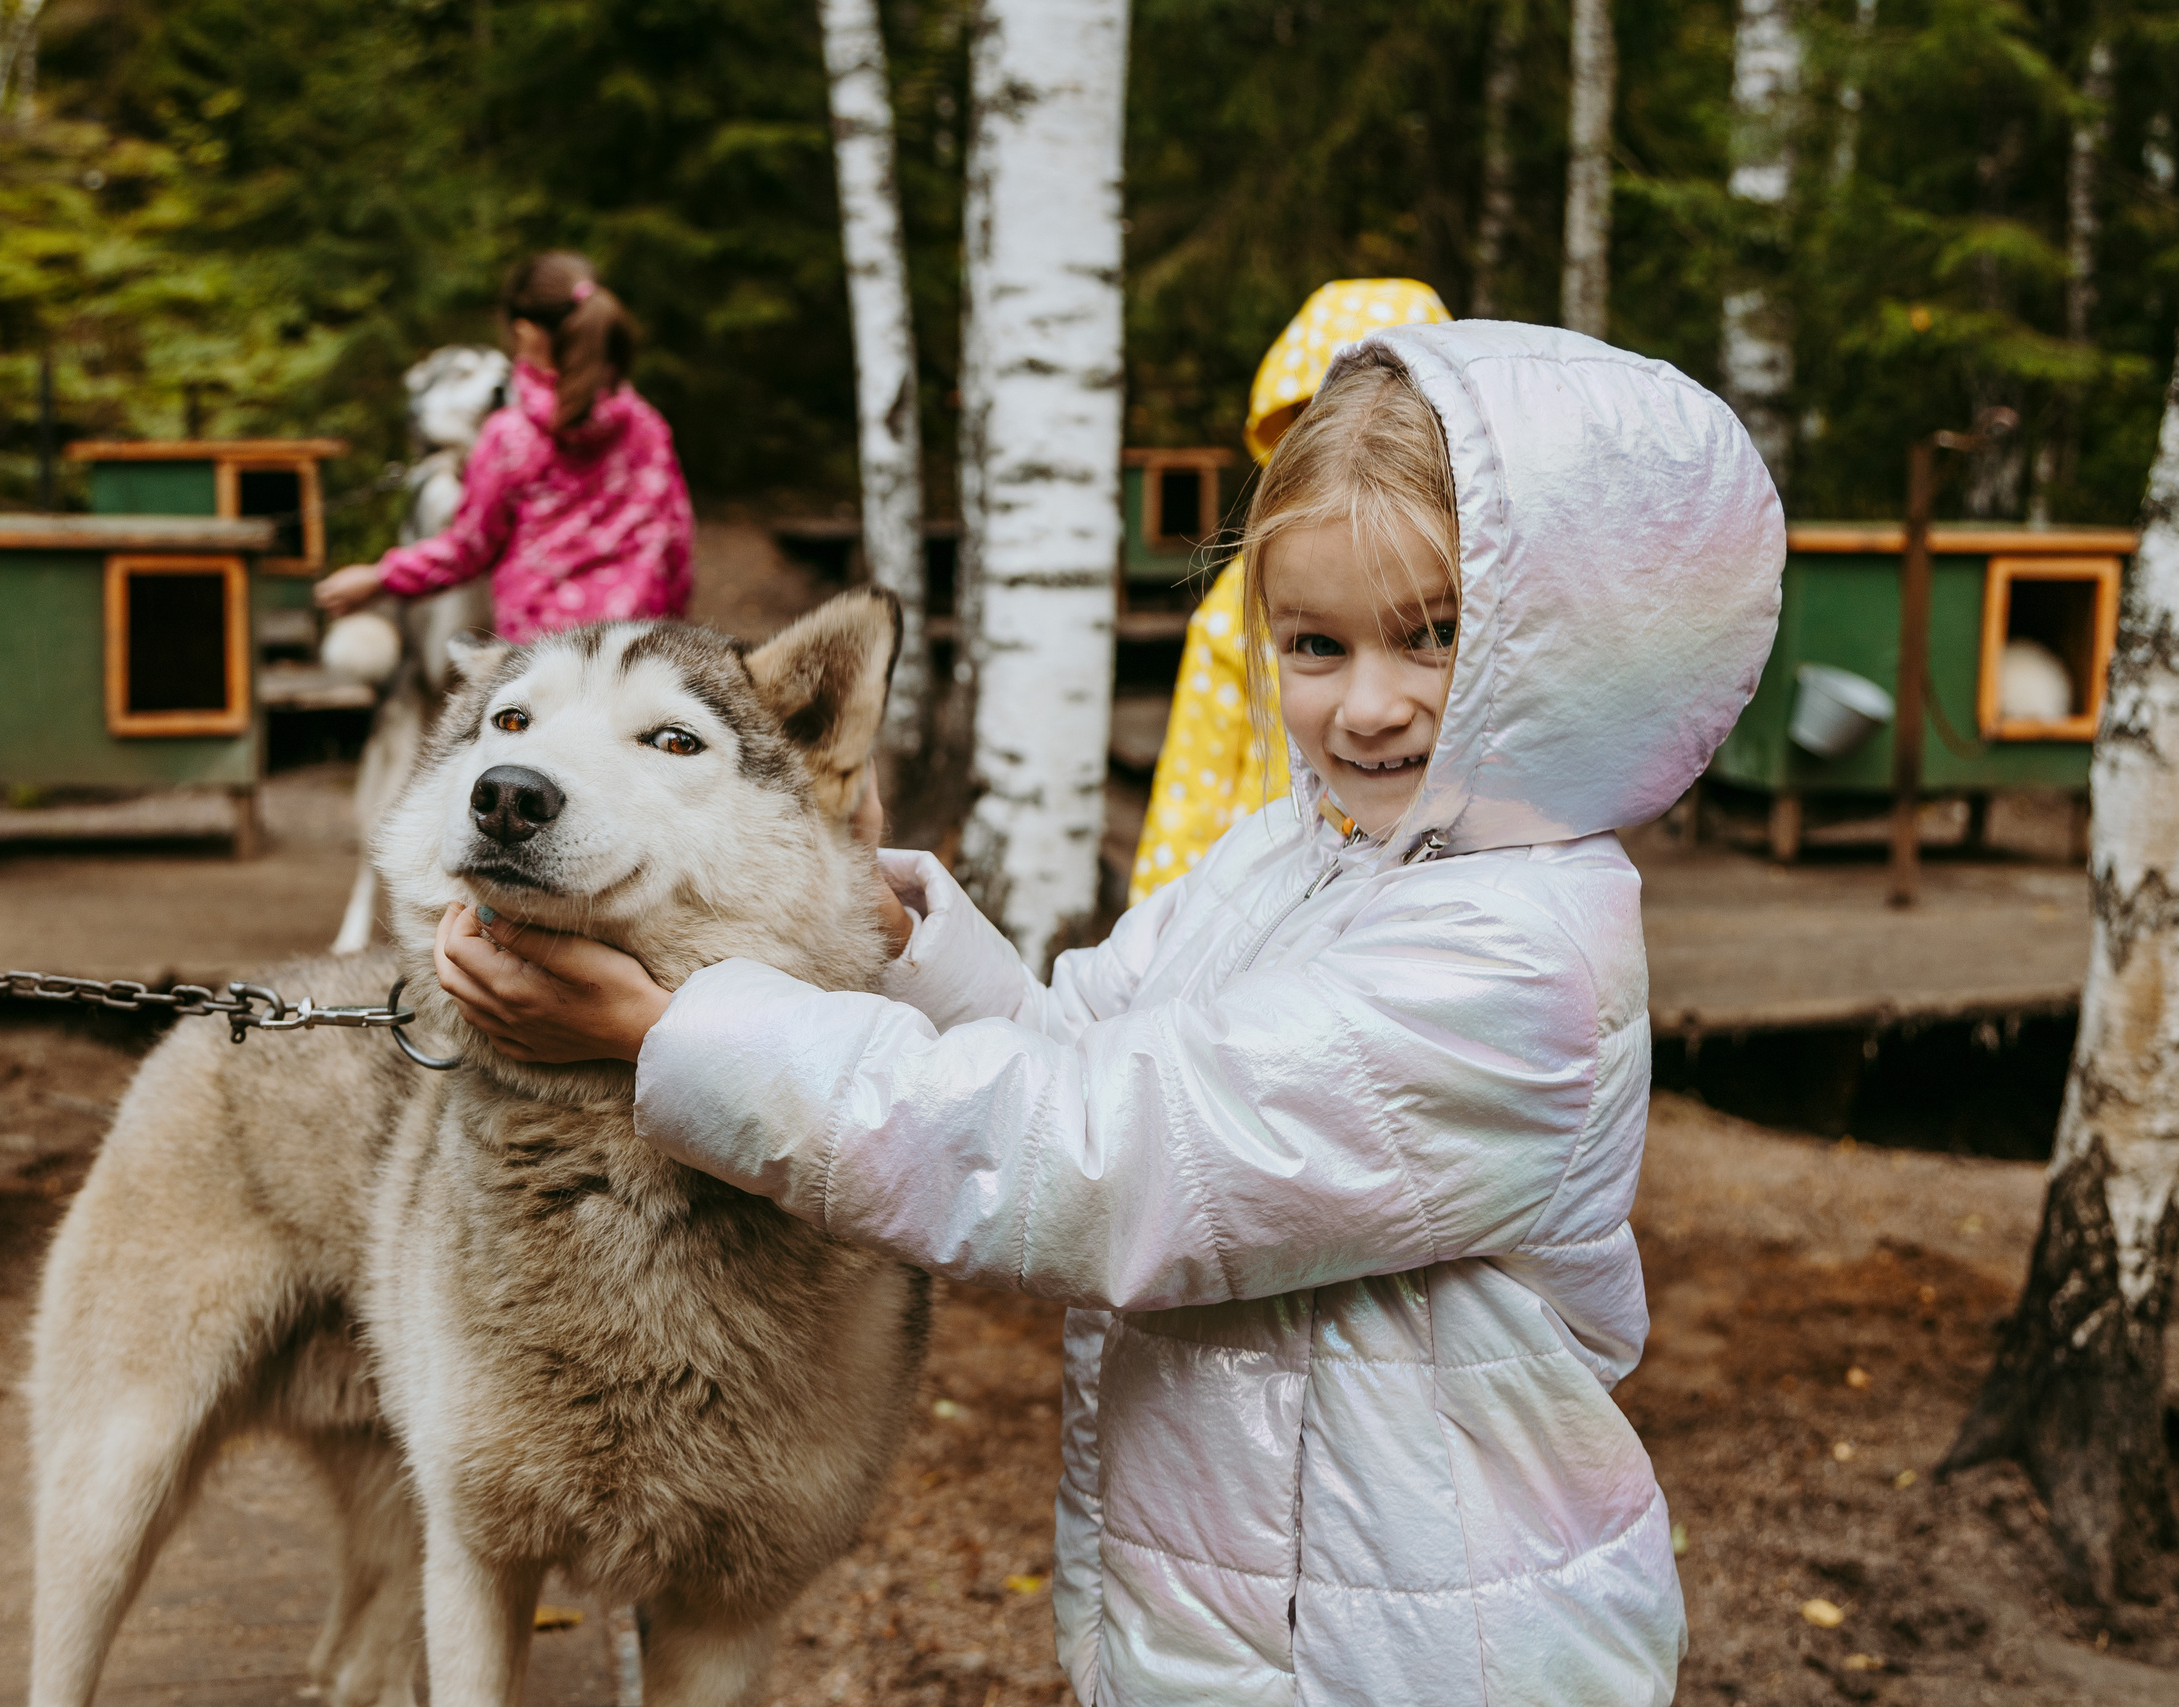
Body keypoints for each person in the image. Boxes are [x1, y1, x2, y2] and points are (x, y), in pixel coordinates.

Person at [430, 322, 1784, 1705]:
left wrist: (668, 1034)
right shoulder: (1296, 853)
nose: (1368, 705)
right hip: (1239, 1607)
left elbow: (1100, 1156)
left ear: (1571, 644)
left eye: (1435, 637)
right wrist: (882, 931)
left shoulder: (1518, 963)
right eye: (1315, 643)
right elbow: (1071, 1049)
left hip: (1432, 1649)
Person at [1133, 276, 1450, 905]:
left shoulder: (1480, 564)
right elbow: (1196, 774)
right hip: (1270, 888)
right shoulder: (1239, 596)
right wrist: (1170, 910)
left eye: (1437, 633)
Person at [315, 252, 693, 637]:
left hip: (544, 656)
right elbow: (677, 545)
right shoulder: (647, 426)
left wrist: (379, 578)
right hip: (640, 649)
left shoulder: (512, 436)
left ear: (526, 330)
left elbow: (467, 550)